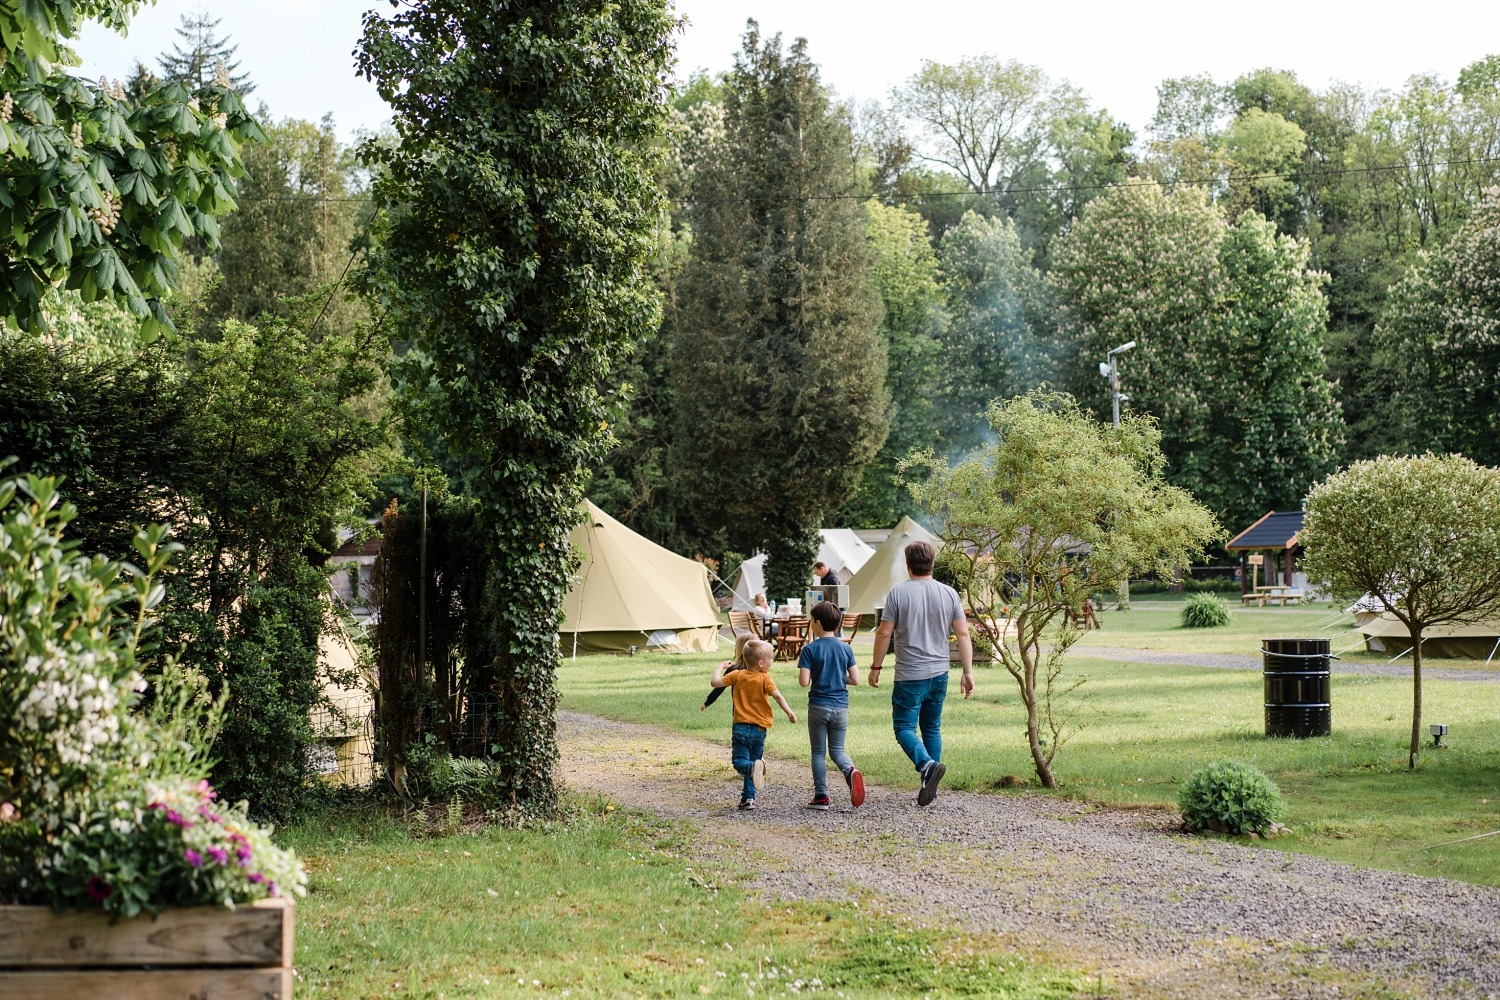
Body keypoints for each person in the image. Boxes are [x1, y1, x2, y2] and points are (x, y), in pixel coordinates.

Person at [868, 540, 974, 806]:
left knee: (903, 727)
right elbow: (962, 633)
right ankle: (930, 784)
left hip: (910, 675)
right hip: (940, 673)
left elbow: (884, 633)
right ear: (933, 563)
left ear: (908, 565)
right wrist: (967, 671)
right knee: (931, 727)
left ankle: (926, 766)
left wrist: (876, 667)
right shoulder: (949, 593)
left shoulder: (898, 594)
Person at [711, 638, 796, 810]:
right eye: (771, 658)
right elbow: (778, 696)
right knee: (754, 762)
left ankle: (752, 775)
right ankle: (748, 798)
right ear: (761, 663)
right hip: (759, 729)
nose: (772, 661)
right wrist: (790, 712)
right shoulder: (765, 679)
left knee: (740, 762)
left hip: (741, 727)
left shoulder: (736, 675)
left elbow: (715, 683)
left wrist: (720, 667)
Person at [798, 601, 865, 810]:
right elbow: (855, 680)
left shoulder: (809, 649)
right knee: (837, 750)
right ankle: (850, 770)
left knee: (818, 752)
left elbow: (803, 681)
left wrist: (819, 674)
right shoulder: (845, 648)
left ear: (817, 623)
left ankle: (821, 796)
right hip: (840, 707)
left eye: (811, 621)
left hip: (818, 705)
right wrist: (837, 676)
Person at [702, 632, 754, 711]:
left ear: (739, 649)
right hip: (759, 714)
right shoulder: (761, 669)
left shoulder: (734, 669)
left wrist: (707, 702)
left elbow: (719, 688)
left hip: (739, 714)